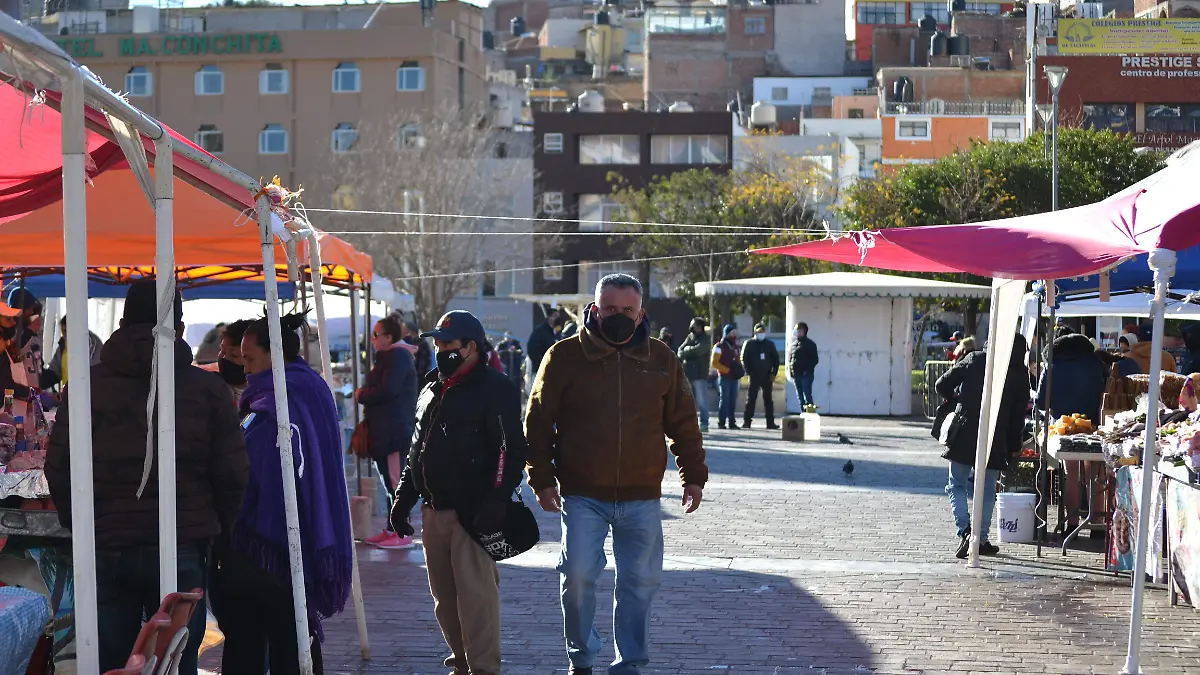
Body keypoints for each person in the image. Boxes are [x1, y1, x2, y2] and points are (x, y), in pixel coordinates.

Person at [44, 281, 249, 675]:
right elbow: (232, 475)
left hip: (109, 543)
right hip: (182, 543)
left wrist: (85, 525)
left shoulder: (87, 387)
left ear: (122, 324)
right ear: (180, 328)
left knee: (112, 662)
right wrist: (215, 530)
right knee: (175, 661)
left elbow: (59, 466)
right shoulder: (208, 390)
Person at [526, 274, 708, 675]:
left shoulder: (662, 358)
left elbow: (683, 422)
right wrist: (541, 477)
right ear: (595, 309)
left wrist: (693, 475)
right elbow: (537, 422)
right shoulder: (563, 356)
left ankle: (629, 664)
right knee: (576, 576)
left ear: (641, 313)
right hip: (582, 493)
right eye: (610, 309)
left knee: (639, 583)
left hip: (642, 496)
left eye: (628, 310)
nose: (619, 316)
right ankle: (581, 657)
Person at [213, 313, 353, 675]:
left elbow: (265, 468)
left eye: (249, 359)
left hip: (275, 546)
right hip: (279, 546)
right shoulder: (298, 389)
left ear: (274, 354)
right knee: (285, 637)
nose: (245, 370)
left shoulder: (287, 397)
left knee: (276, 639)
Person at [389, 310, 527, 675]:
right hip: (433, 511)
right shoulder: (432, 386)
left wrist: (496, 499)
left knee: (477, 599)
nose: (440, 350)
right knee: (444, 601)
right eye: (437, 344)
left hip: (473, 513)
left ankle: (483, 668)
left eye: (448, 343)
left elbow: (510, 449)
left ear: (471, 346)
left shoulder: (495, 388)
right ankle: (462, 662)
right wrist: (403, 499)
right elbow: (417, 447)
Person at [935, 333, 1031, 559]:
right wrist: (1014, 445)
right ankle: (981, 539)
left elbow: (941, 384)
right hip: (996, 435)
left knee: (956, 484)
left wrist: (957, 398)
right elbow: (1018, 417)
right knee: (988, 490)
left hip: (964, 430)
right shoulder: (1020, 374)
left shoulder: (975, 359)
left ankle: (966, 532)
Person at [1036, 331, 1108, 533]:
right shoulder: (1095, 363)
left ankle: (1072, 524)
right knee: (1095, 475)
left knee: (1072, 475)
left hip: (1064, 427)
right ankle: (1097, 525)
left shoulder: (1053, 365)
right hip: (1093, 425)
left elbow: (1041, 401)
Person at [358, 315, 419, 549]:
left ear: (389, 337)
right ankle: (392, 528)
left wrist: (362, 395)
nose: (372, 339)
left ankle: (402, 533)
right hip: (385, 429)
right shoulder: (390, 357)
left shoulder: (398, 357)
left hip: (394, 430)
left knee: (396, 483)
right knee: (388, 481)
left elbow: (388, 390)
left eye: (376, 334)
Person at [196, 320, 251, 404]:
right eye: (222, 351)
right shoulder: (208, 388)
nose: (224, 358)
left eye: (234, 355)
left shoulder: (266, 396)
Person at [40, 316, 103, 390]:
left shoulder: (90, 344)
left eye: (67, 331)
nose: (65, 335)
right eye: (63, 331)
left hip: (90, 392)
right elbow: (55, 371)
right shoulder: (64, 344)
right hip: (68, 393)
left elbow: (92, 372)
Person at [741, 323, 780, 430]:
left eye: (762, 332)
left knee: (768, 400)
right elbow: (744, 359)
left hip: (767, 376)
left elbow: (776, 359)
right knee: (751, 399)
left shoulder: (769, 344)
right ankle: (747, 421)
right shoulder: (749, 344)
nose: (761, 334)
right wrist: (749, 372)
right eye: (758, 332)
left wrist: (773, 373)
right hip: (754, 376)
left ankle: (770, 422)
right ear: (755, 332)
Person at [676, 317, 712, 432]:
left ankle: (704, 423)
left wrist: (687, 350)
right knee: (687, 400)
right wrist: (686, 351)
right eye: (695, 326)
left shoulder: (705, 339)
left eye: (699, 326)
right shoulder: (690, 337)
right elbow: (680, 350)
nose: (697, 328)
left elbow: (700, 350)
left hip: (700, 374)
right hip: (688, 373)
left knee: (702, 401)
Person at [7, 288, 45, 395]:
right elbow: (13, 351)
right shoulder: (10, 332)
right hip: (15, 394)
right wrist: (30, 331)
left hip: (33, 393)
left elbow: (38, 366)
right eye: (29, 308)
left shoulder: (33, 335)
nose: (32, 312)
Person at [711, 323, 744, 431]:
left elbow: (738, 360)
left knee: (732, 401)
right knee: (725, 400)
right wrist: (727, 370)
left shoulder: (736, 347)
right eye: (731, 332)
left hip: (734, 378)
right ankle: (721, 422)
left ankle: (732, 422)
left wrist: (740, 369)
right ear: (726, 334)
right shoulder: (719, 346)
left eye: (735, 332)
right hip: (724, 377)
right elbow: (714, 363)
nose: (734, 334)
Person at [789, 322, 819, 408]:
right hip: (796, 375)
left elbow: (814, 360)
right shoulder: (794, 344)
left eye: (798, 330)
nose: (795, 331)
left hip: (806, 375)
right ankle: (803, 413)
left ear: (803, 331)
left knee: (807, 396)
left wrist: (807, 371)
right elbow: (791, 358)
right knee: (800, 397)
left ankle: (810, 413)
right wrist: (791, 371)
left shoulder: (810, 344)